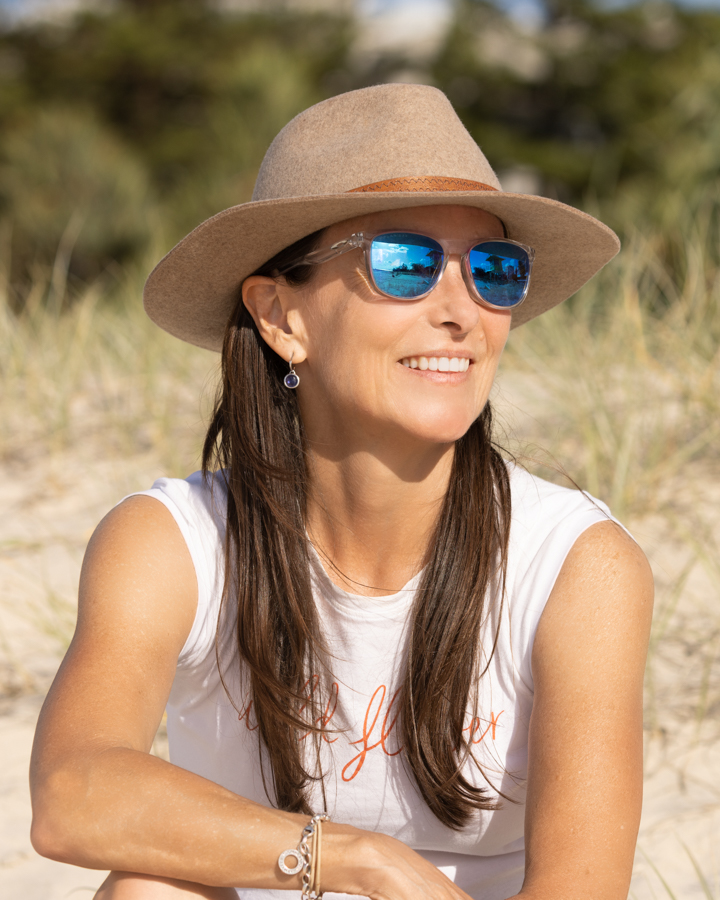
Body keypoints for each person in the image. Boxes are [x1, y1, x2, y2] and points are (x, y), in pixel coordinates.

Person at [29, 84, 653, 900]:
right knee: (149, 890)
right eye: (405, 262)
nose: (461, 309)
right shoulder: (174, 543)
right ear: (282, 316)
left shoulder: (577, 567)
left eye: (495, 271)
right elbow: (70, 795)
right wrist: (356, 858)